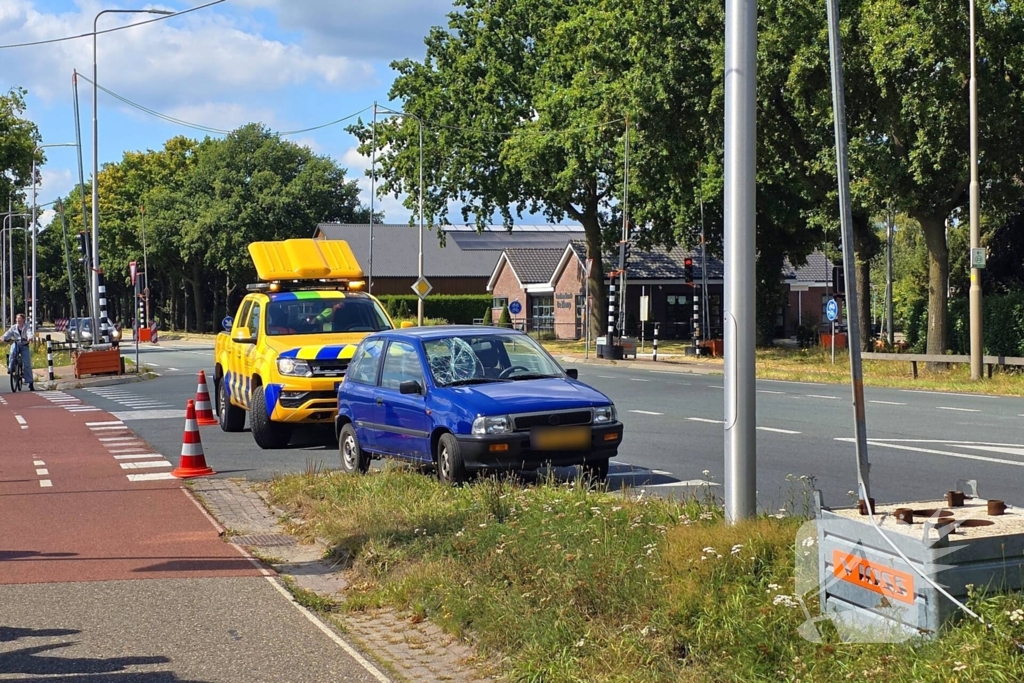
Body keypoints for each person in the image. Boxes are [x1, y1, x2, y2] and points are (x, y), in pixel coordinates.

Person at [3, 313, 34, 391]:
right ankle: (11, 368)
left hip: (24, 345)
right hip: (16, 343)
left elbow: (29, 333)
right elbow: (8, 333)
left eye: (20, 318)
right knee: (12, 352)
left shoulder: (26, 327)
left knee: (26, 363)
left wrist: (29, 338)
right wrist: (3, 337)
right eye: (17, 318)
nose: (18, 320)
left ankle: (30, 382)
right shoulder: (13, 327)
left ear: (23, 320)